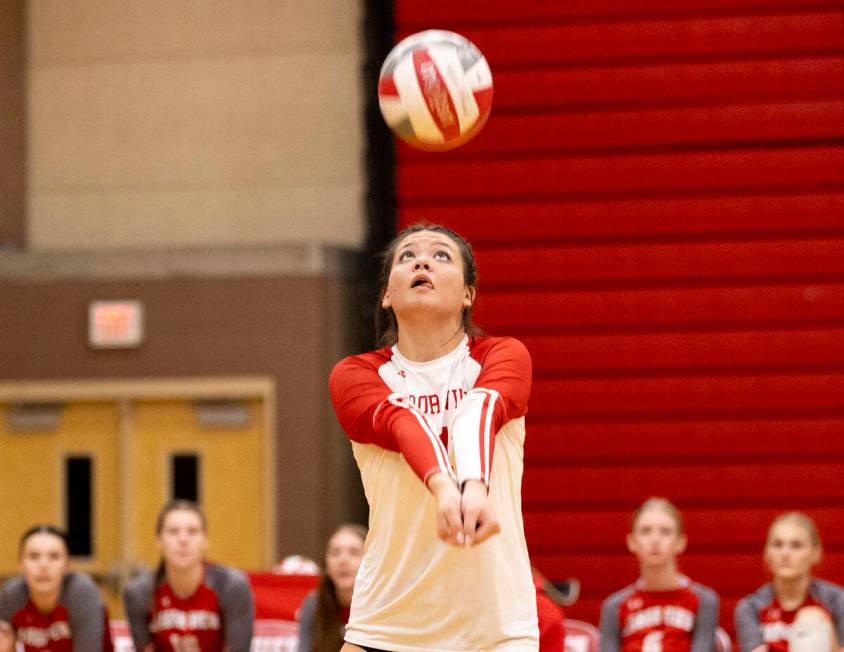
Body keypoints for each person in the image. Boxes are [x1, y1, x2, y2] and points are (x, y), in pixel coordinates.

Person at [329, 223, 539, 651]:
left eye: (441, 256)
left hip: (494, 628)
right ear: (387, 294)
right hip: (385, 626)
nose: (422, 261)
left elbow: (476, 412)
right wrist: (445, 489)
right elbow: (403, 422)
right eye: (407, 256)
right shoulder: (356, 374)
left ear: (468, 294)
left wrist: (473, 487)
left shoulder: (503, 355)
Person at [123, 500, 254, 652]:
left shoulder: (231, 586)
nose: (183, 540)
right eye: (173, 532)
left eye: (192, 532)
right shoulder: (139, 592)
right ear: (159, 541)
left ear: (205, 541)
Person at [599, 497, 719, 652]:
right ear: (631, 541)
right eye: (645, 531)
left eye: (665, 532)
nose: (655, 540)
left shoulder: (703, 600)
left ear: (681, 542)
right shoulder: (614, 605)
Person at [735, 512, 844, 652]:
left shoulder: (837, 600)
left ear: (815, 552)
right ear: (766, 553)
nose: (785, 553)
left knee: (811, 618)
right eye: (777, 545)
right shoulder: (750, 607)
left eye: (796, 545)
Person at [0, 524, 113, 652]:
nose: (43, 565)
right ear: (20, 564)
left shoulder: (82, 592)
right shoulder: (12, 595)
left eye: (54, 557)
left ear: (68, 565)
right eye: (33, 556)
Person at [296, 524, 367, 652]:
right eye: (335, 553)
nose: (343, 560)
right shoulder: (314, 604)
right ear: (326, 565)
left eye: (354, 553)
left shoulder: (383, 606)